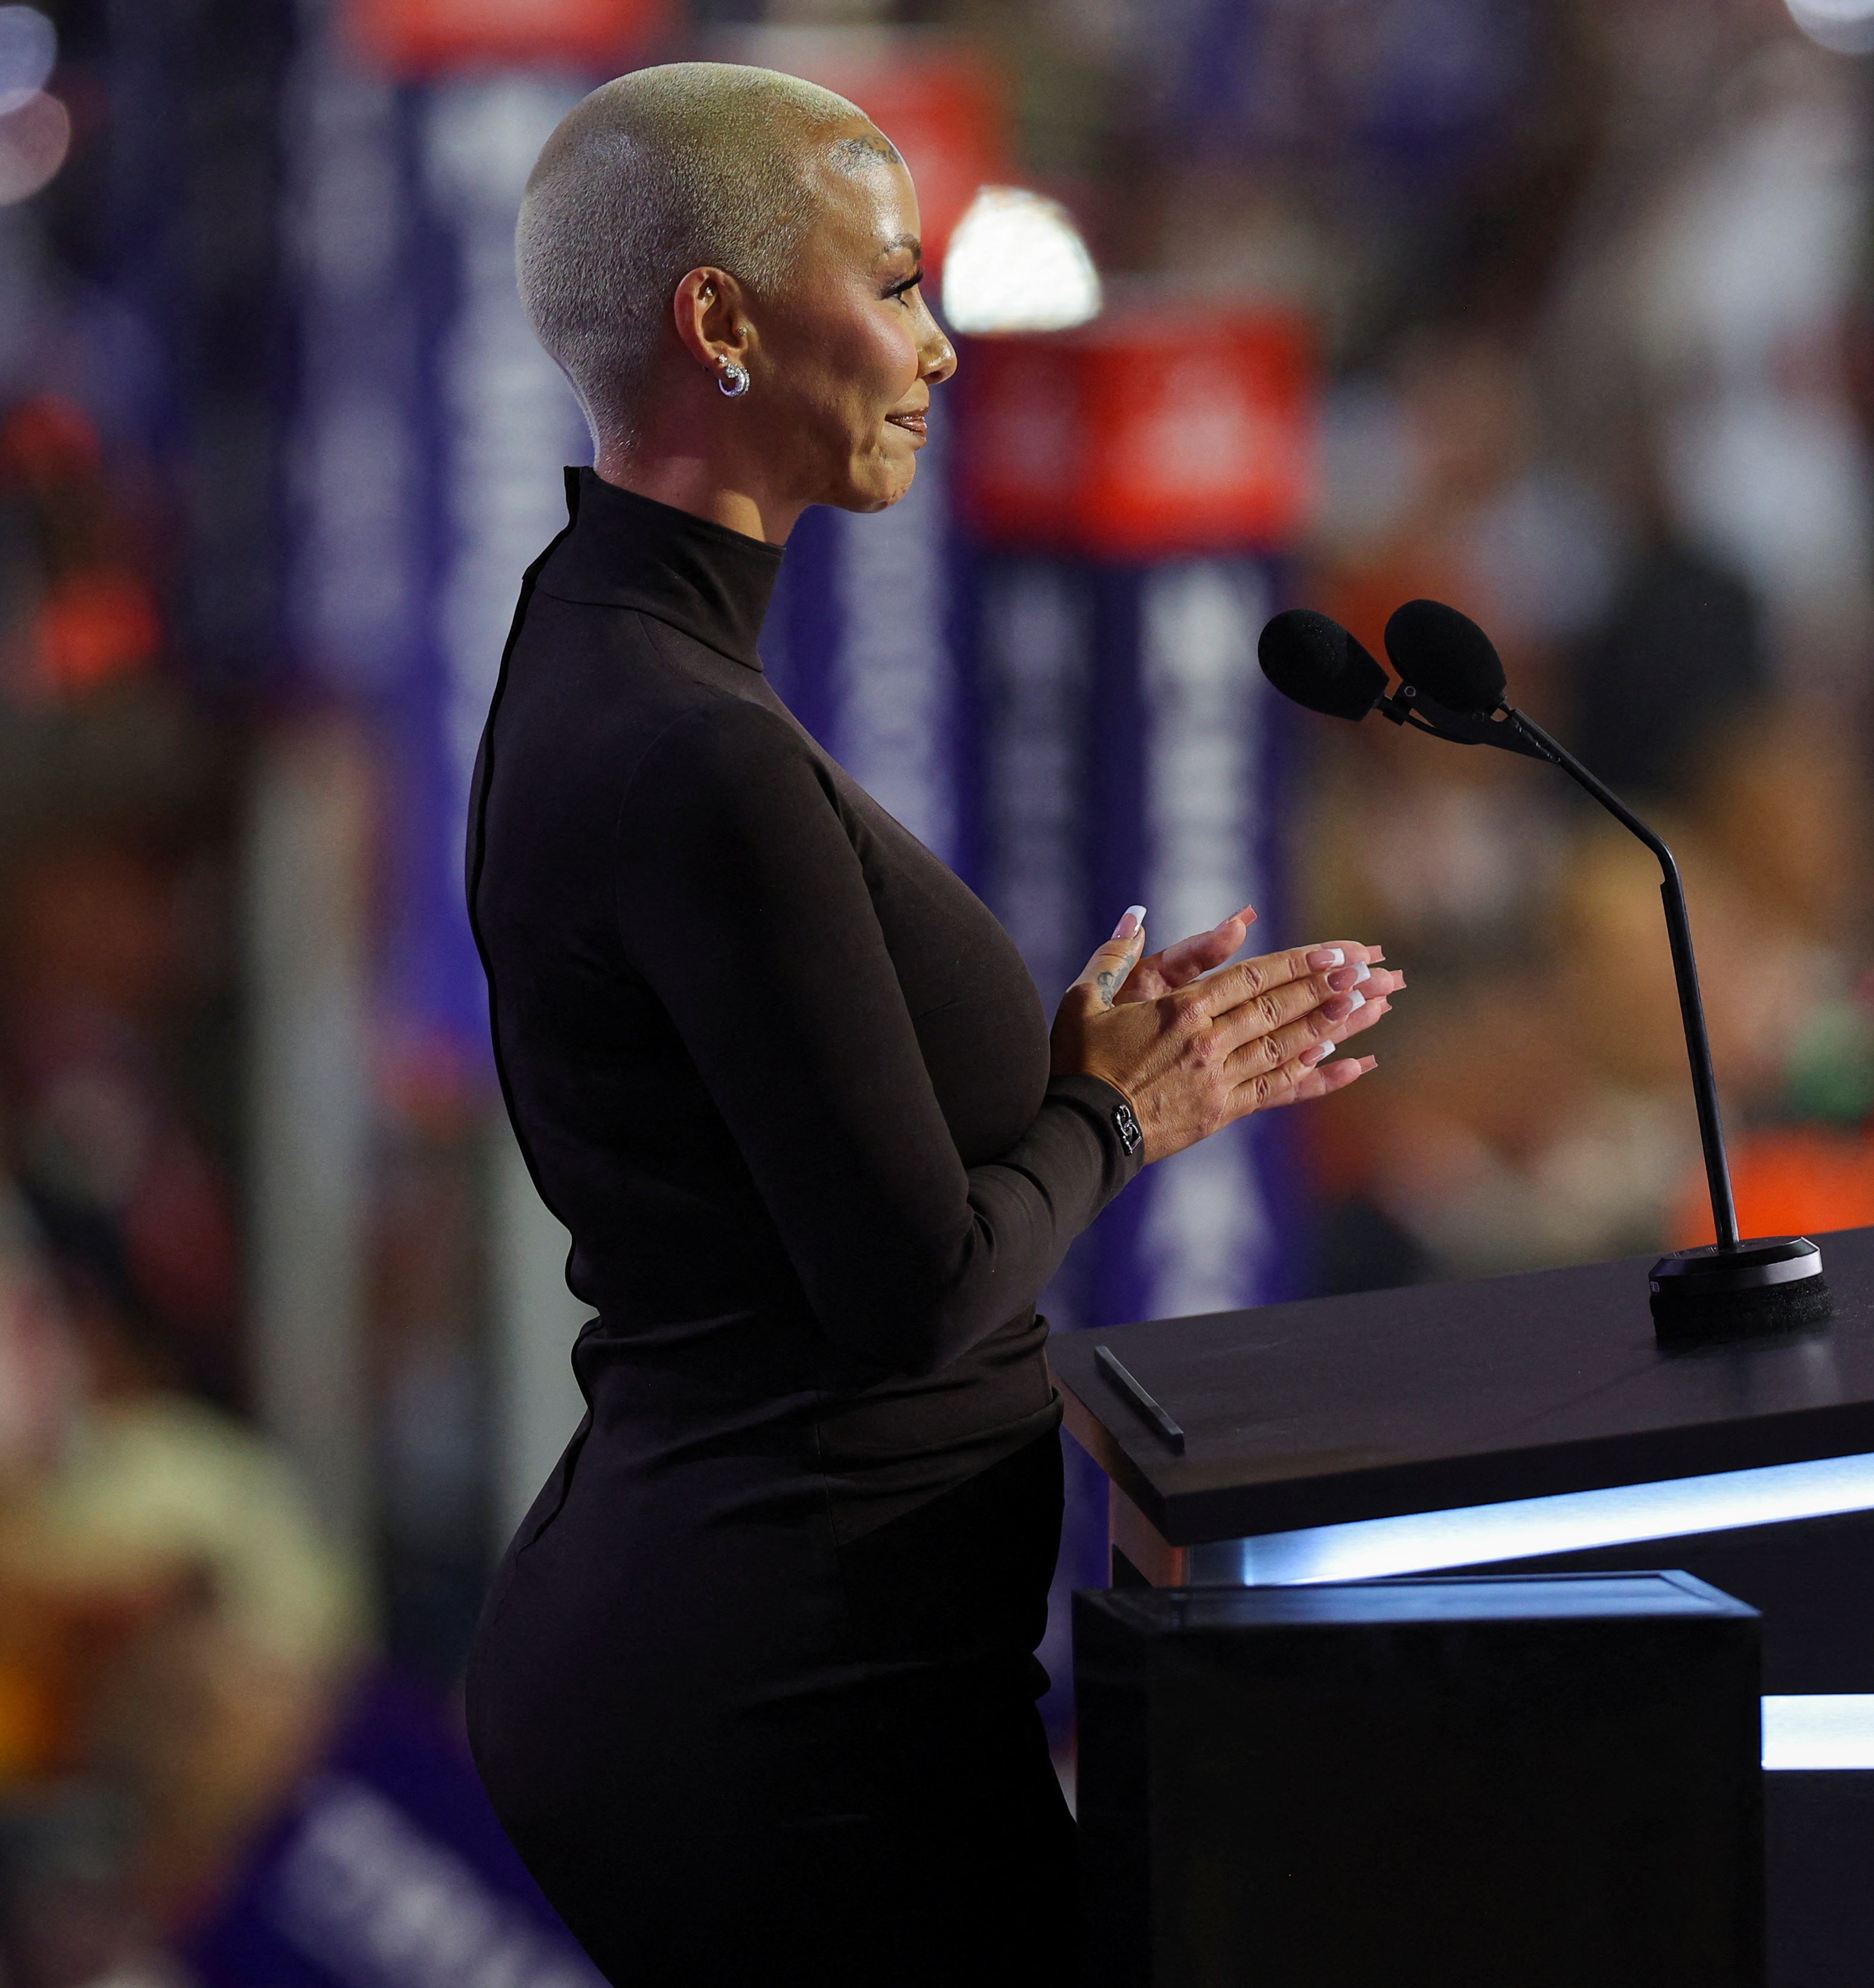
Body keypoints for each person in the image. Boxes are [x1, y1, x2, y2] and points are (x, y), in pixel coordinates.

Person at [458, 63, 1401, 1985]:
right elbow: (904, 1286)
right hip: (785, 1716)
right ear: (716, 321)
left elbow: (784, 1150)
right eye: (894, 290)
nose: (943, 348)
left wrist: (1074, 1081)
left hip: (770, 1658)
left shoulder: (603, 639)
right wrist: (1123, 1119)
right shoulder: (693, 744)